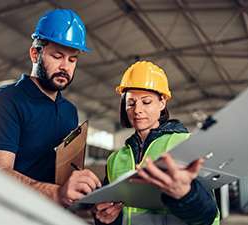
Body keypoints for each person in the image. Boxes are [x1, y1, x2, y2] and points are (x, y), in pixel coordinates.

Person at [0, 9, 101, 207]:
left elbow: (67, 173)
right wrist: (56, 193)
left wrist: (92, 198)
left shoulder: (70, 111)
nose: (65, 67)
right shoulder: (6, 100)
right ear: (35, 54)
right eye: (57, 56)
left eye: (72, 59)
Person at [94, 61, 220, 225]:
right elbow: (115, 215)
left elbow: (208, 215)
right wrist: (106, 217)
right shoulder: (115, 160)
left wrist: (187, 195)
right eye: (131, 103)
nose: (137, 110)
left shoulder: (184, 143)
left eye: (146, 102)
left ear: (162, 103)